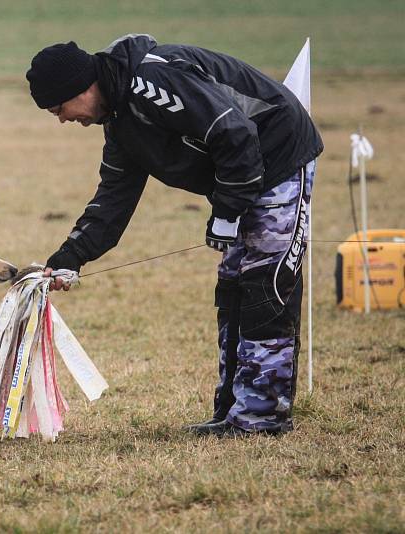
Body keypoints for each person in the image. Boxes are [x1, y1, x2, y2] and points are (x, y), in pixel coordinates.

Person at [26, 35, 323, 436]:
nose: (62, 119)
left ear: (81, 86)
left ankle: (263, 418)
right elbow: (113, 200)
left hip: (279, 152)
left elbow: (233, 131)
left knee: (264, 285)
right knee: (234, 288)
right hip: (242, 173)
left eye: (59, 108)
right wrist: (68, 257)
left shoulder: (151, 80)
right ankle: (234, 411)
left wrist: (227, 212)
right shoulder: (120, 121)